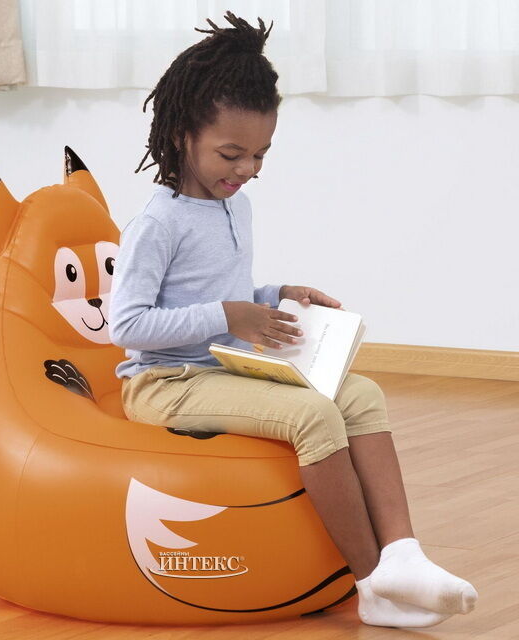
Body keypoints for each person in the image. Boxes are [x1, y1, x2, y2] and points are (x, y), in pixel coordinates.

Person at [109, 11, 478, 628]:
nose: (246, 169)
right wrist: (230, 313)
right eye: (231, 154)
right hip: (164, 383)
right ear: (180, 134)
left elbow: (222, 291)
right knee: (313, 414)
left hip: (222, 367)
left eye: (260, 154)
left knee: (361, 394)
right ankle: (372, 582)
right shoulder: (157, 223)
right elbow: (128, 325)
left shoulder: (236, 206)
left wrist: (275, 293)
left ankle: (404, 555)